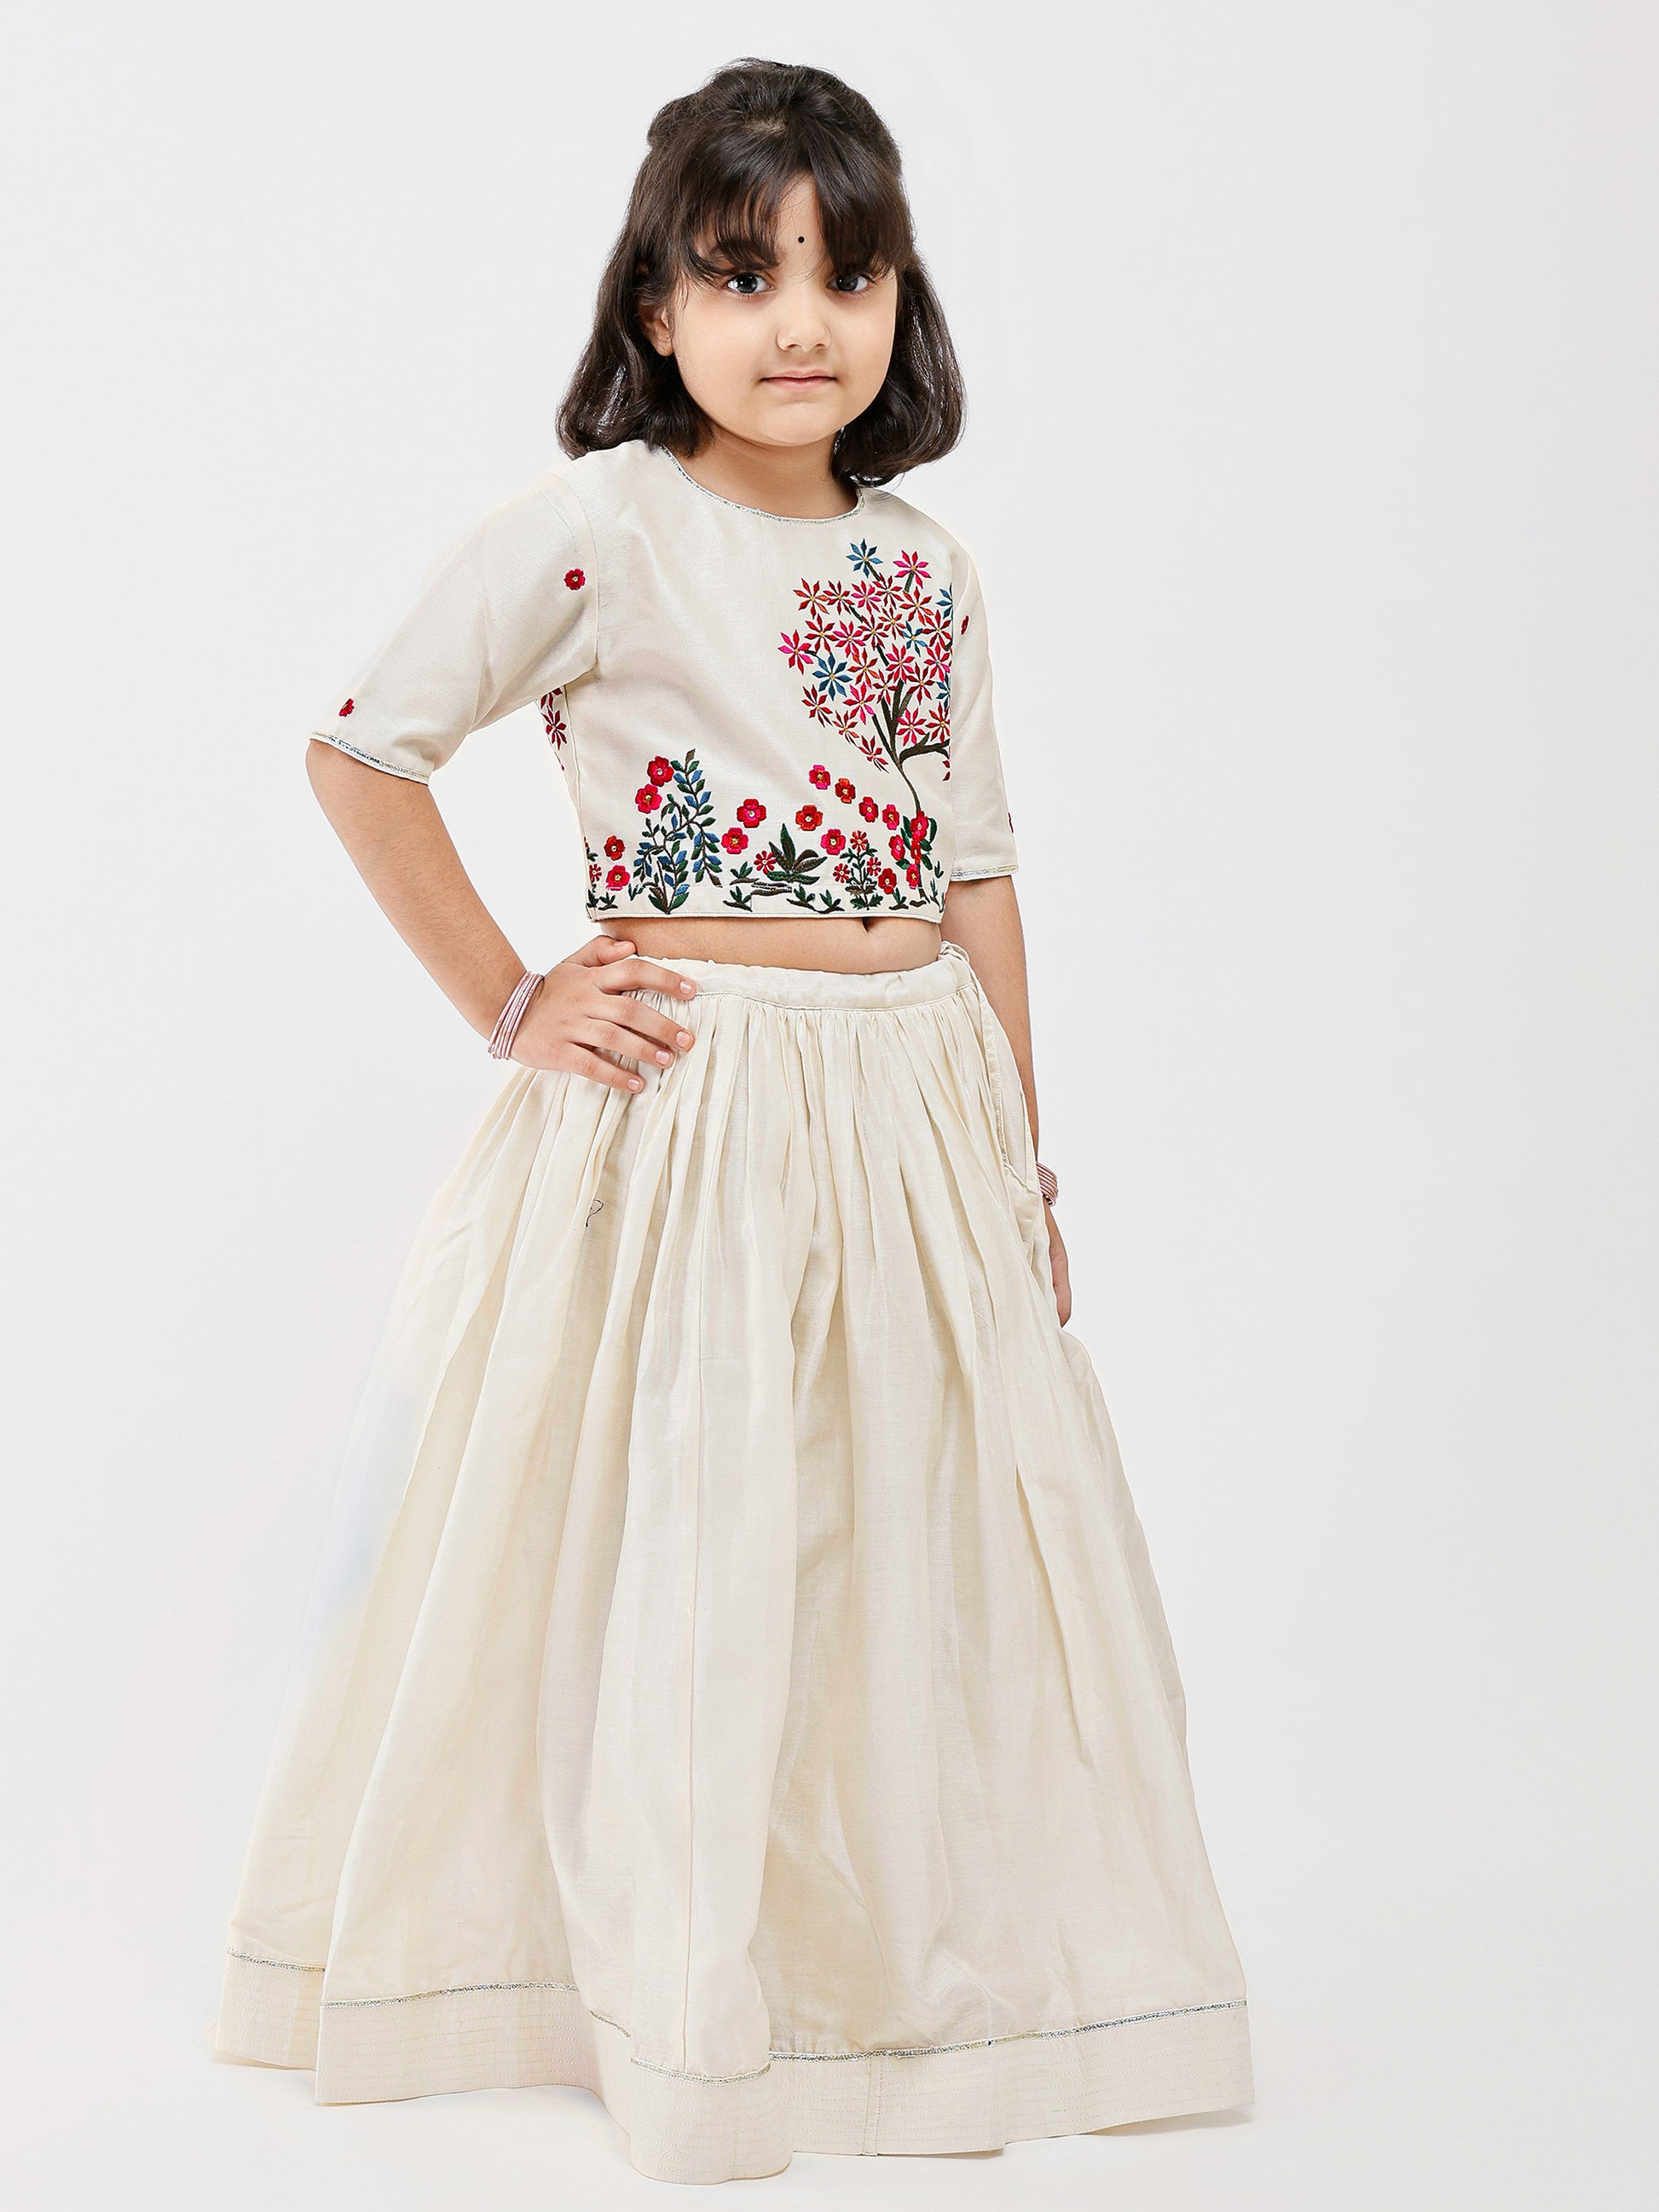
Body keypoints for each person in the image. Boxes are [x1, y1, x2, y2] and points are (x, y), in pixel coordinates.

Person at [210, 57, 1252, 2186]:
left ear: (899, 304)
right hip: (696, 1101)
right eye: (744, 273)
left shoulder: (924, 569)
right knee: (699, 1517)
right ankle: (672, 1989)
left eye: (847, 276)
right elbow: (363, 751)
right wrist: (514, 999)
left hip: (909, 1099)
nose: (801, 323)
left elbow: (975, 874)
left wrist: (1019, 1157)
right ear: (657, 304)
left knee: (906, 1520)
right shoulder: (605, 529)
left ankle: (888, 1976)